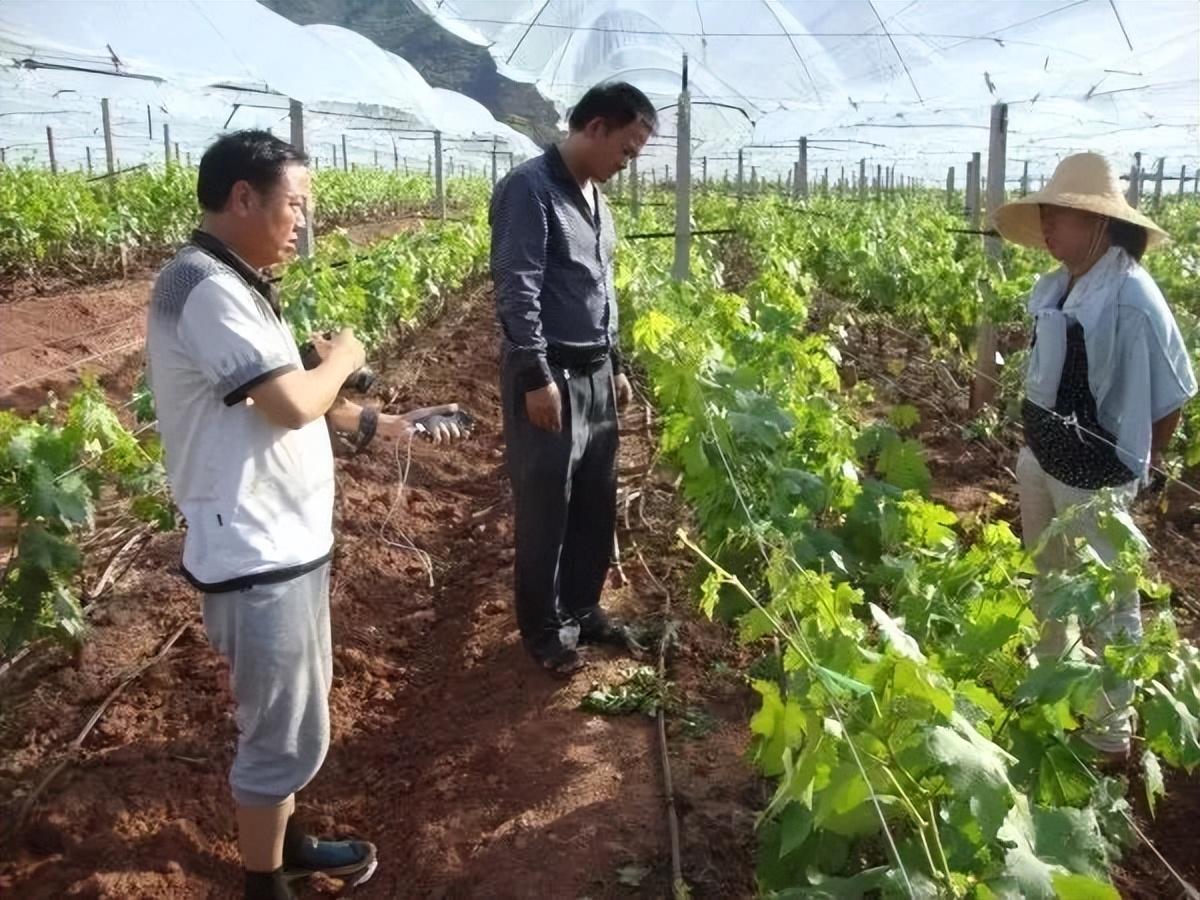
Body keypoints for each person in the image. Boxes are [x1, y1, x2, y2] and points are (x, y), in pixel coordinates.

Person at [145, 130, 464, 900]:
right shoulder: (205, 287)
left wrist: (373, 422)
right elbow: (291, 401)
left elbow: (282, 401)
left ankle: (288, 844)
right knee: (279, 730)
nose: (302, 222)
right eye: (296, 205)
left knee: (298, 713)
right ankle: (266, 884)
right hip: (255, 551)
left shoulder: (237, 279)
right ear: (244, 197)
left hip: (283, 541)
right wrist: (344, 358)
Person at [994, 151, 1196, 761]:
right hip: (1044, 461)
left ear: (1100, 224)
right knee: (1049, 580)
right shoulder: (1061, 285)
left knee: (1110, 604)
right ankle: (1052, 682)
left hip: (1096, 478)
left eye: (1060, 215)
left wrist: (1133, 474)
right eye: (1047, 216)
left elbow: (1175, 392)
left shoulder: (1131, 297)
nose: (1049, 226)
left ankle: (1110, 733)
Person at [489, 83, 655, 677]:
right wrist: (535, 375)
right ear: (597, 127)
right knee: (546, 505)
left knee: (594, 497)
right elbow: (518, 286)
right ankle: (543, 630)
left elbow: (600, 292)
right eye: (627, 149)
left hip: (594, 369)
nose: (626, 163)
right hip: (549, 371)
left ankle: (582, 608)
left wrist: (616, 364)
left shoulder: (597, 202)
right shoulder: (528, 189)